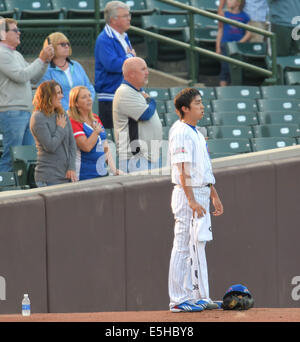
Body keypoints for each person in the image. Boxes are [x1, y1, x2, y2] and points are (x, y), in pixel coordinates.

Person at [168, 88, 224, 313]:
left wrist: (214, 194)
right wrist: (191, 199)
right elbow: (182, 168)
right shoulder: (180, 131)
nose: (202, 106)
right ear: (185, 108)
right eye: (198, 103)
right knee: (182, 245)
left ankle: (195, 295)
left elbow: (204, 168)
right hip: (186, 193)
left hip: (200, 190)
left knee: (197, 245)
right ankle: (177, 299)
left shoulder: (197, 132)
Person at [0, 17, 54, 172]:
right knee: (11, 157)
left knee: (26, 156)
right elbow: (22, 76)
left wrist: (45, 62)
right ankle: (5, 190)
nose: (19, 32)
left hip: (23, 110)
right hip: (11, 111)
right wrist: (40, 59)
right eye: (15, 30)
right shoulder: (2, 53)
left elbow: (33, 78)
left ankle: (21, 190)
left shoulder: (15, 54)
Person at [113, 57, 162, 173]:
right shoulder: (124, 92)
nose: (147, 72)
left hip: (149, 156)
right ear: (131, 74)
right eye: (143, 69)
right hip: (136, 157)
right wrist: (151, 100)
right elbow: (146, 114)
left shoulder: (137, 91)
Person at [94, 1, 136, 129]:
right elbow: (111, 64)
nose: (129, 18)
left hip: (124, 95)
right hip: (110, 98)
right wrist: (129, 58)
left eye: (129, 15)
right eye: (125, 16)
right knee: (115, 139)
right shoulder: (104, 39)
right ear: (113, 20)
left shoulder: (124, 36)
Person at [68, 86, 121, 180]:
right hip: (83, 176)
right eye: (84, 97)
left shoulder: (95, 118)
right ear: (76, 103)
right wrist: (96, 132)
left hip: (101, 173)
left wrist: (114, 170)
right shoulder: (73, 121)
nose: (89, 99)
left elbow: (105, 146)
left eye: (89, 96)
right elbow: (86, 147)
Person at [30, 80, 77, 186]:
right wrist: (60, 128)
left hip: (67, 175)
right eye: (58, 93)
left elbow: (72, 143)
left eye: (61, 92)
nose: (62, 96)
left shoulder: (61, 113)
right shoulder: (38, 117)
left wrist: (71, 167)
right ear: (48, 95)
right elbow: (50, 146)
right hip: (48, 177)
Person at [38, 32, 95, 112]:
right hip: (61, 115)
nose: (67, 46)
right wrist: (70, 111)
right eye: (62, 44)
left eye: (68, 44)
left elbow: (89, 87)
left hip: (83, 112)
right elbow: (49, 96)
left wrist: (86, 104)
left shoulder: (76, 66)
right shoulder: (46, 70)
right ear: (51, 47)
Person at [216, 0, 251, 86]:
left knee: (236, 70)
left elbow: (249, 33)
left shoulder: (245, 16)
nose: (228, 2)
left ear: (238, 3)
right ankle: (223, 91)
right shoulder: (224, 14)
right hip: (225, 45)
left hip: (238, 48)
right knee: (225, 69)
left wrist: (239, 43)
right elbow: (220, 30)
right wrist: (218, 47)